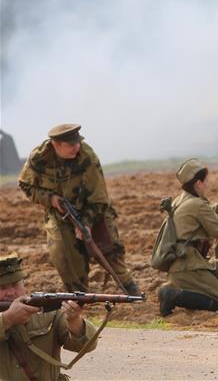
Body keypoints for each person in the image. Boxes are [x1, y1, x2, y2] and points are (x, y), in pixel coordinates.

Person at [18, 124, 140, 296]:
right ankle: (79, 300)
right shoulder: (38, 158)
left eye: (78, 142)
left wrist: (86, 223)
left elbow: (99, 198)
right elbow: (25, 185)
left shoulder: (87, 156)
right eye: (71, 145)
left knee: (109, 252)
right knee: (65, 257)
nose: (77, 147)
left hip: (93, 210)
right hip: (59, 213)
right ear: (55, 144)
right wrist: (50, 199)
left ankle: (132, 293)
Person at [156, 158, 218, 316]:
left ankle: (202, 290)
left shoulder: (182, 200)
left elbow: (210, 209)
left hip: (189, 262)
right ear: (198, 183)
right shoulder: (197, 204)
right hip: (189, 267)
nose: (207, 185)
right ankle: (173, 294)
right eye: (206, 181)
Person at [0, 253, 97, 381]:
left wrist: (74, 321)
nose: (11, 292)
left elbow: (86, 346)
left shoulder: (47, 310)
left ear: (23, 283)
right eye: (3, 287)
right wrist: (7, 320)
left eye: (15, 285)